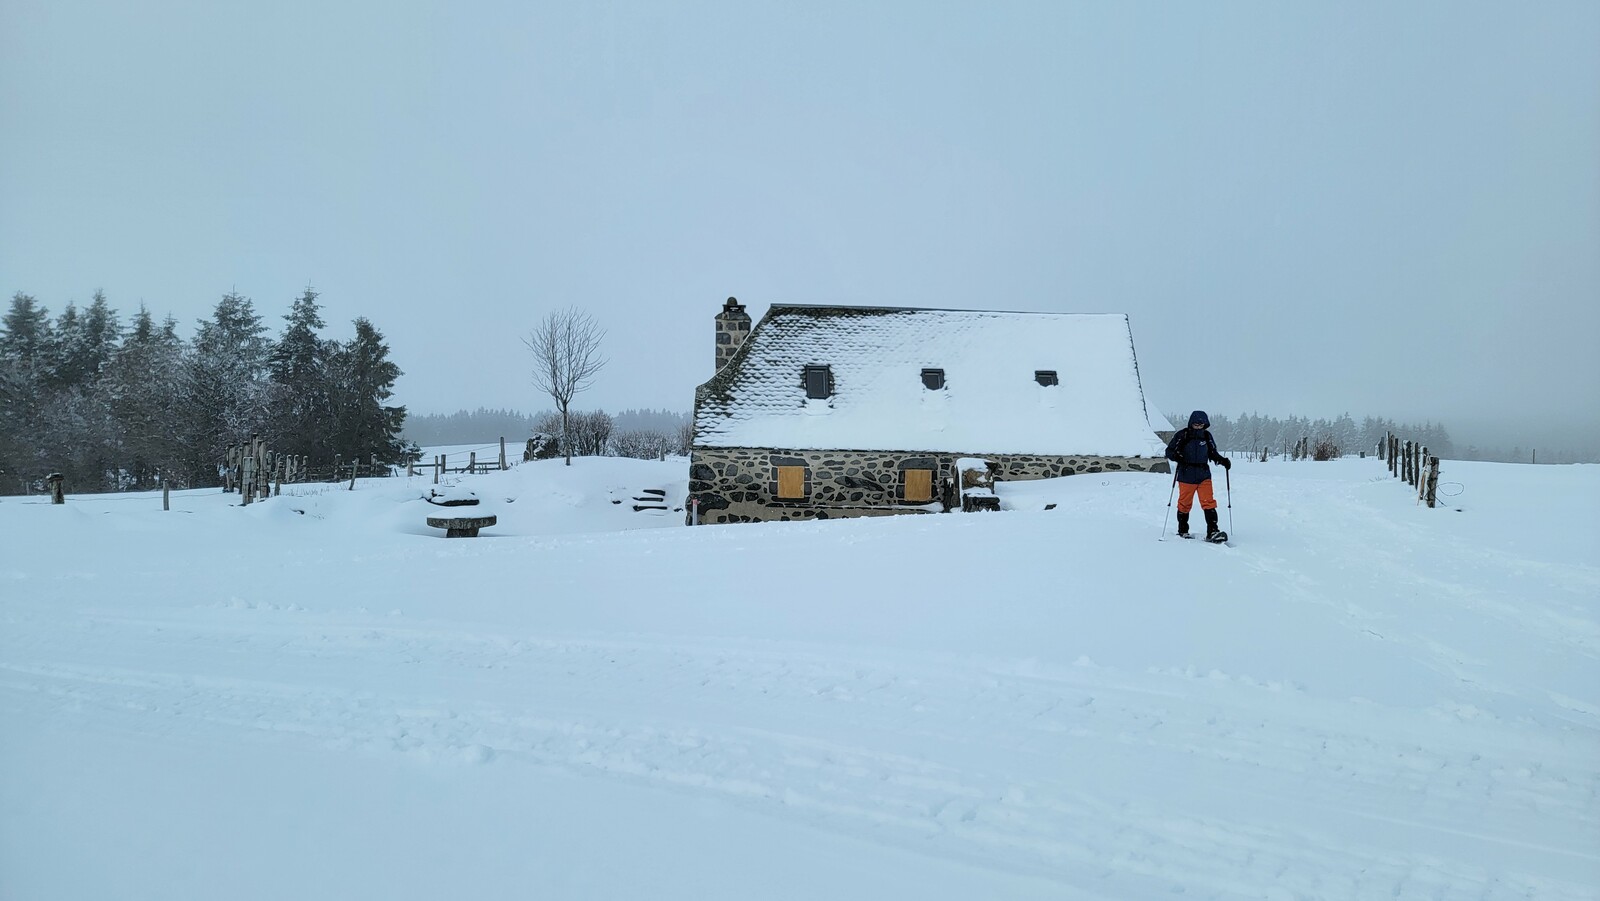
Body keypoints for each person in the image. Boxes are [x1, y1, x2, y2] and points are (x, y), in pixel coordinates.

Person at [1165, 410, 1231, 540]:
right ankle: (1183, 530)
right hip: (1186, 474)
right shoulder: (1182, 435)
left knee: (1209, 502)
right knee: (1184, 504)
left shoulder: (1207, 436)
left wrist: (1222, 461)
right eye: (1196, 424)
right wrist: (1177, 456)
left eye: (1201, 425)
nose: (1198, 426)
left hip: (1203, 474)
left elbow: (1213, 453)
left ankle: (1213, 531)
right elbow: (1169, 451)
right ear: (1191, 423)